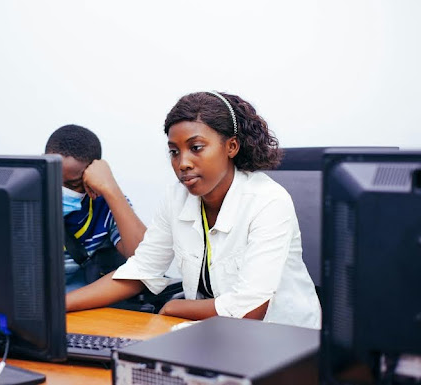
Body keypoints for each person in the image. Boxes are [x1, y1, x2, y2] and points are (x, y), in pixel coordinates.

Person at [65, 92, 321, 329]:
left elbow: (248, 309)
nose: (182, 163)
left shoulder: (268, 201)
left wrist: (174, 307)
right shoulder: (176, 197)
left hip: (281, 338)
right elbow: (141, 270)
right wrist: (57, 306)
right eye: (174, 152)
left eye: (196, 148)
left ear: (231, 147)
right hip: (210, 334)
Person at [45, 124, 146, 292]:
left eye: (73, 185)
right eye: (54, 177)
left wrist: (110, 187)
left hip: (83, 307)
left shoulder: (104, 205)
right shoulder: (22, 199)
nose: (60, 190)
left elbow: (146, 260)